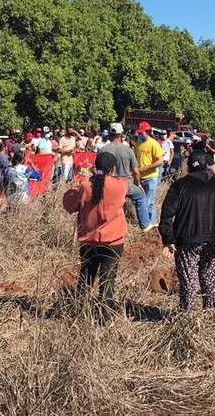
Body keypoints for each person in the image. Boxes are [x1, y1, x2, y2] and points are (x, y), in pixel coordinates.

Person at [157, 150, 215, 311]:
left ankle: (188, 319)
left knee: (188, 283)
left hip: (187, 243)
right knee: (210, 283)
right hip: (213, 242)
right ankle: (211, 317)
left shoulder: (178, 185)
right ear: (207, 165)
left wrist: (169, 239)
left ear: (188, 166)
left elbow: (167, 215)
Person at [62, 151, 129, 308]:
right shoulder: (121, 185)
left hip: (89, 242)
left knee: (86, 278)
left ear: (95, 167)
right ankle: (104, 315)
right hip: (113, 241)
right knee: (108, 281)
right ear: (112, 169)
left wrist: (89, 179)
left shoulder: (85, 186)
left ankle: (79, 310)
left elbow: (68, 204)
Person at [102, 123, 153, 231]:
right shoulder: (128, 150)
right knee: (141, 196)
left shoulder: (103, 149)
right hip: (125, 184)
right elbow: (135, 171)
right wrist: (138, 183)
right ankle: (145, 225)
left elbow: (96, 168)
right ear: (122, 135)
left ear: (110, 134)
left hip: (108, 183)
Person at [134, 122, 164, 226]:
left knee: (148, 201)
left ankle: (148, 223)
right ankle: (151, 222)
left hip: (151, 177)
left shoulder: (154, 144)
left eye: (142, 133)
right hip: (140, 177)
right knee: (143, 201)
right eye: (139, 133)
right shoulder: (137, 143)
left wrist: (145, 168)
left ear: (148, 132)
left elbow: (160, 161)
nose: (140, 135)